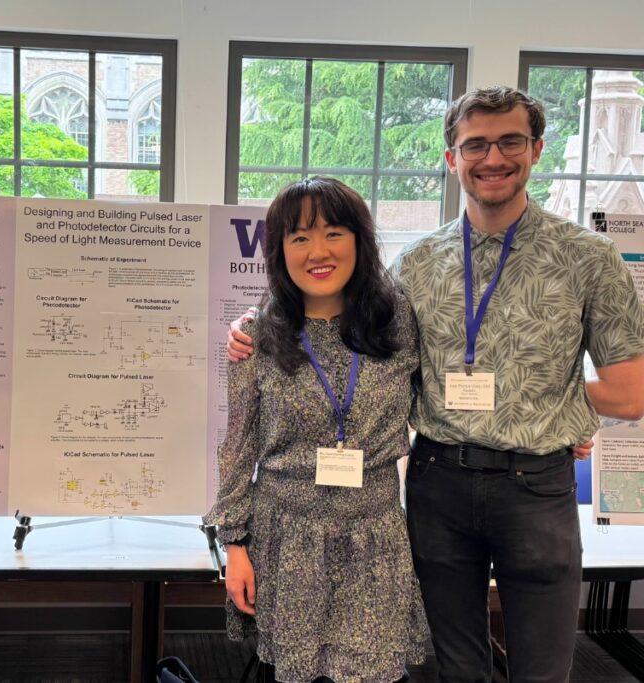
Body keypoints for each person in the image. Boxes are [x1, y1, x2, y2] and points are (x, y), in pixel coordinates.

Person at [228, 87, 644, 683]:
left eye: (510, 142)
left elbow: (630, 395)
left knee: (542, 670)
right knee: (454, 667)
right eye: (475, 144)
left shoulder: (588, 257)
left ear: (536, 150)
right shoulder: (416, 263)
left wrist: (548, 408)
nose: (492, 157)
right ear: (453, 158)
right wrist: (249, 324)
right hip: (437, 481)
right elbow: (347, 337)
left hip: (535, 486)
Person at [205, 177, 427, 683]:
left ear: (360, 242)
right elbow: (237, 446)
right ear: (280, 252)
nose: (317, 251)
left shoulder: (398, 325)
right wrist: (235, 546)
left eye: (333, 233)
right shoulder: (257, 336)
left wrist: (554, 429)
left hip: (374, 536)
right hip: (287, 538)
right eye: (299, 238)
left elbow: (437, 402)